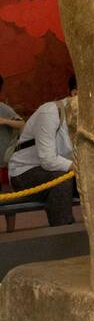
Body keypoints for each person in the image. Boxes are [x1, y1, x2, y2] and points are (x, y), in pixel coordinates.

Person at [7, 79, 77, 226]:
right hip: (24, 173)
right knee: (61, 178)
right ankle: (63, 232)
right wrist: (79, 168)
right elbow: (48, 160)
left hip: (62, 172)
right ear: (74, 93)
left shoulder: (88, 119)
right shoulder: (50, 112)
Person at [0, 76, 26, 233]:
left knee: (7, 198)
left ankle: (11, 232)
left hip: (2, 162)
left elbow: (22, 124)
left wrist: (4, 121)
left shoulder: (3, 108)